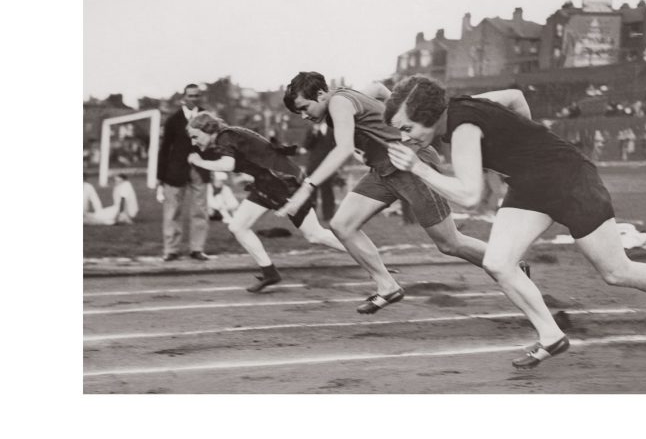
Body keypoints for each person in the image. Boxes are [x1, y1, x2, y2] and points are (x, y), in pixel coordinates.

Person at [384, 75, 646, 369]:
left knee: (617, 272)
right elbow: (516, 97)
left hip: (570, 180)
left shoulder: (463, 128)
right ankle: (551, 336)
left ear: (428, 114)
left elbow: (469, 195)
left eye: (407, 127)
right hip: (530, 185)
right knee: (498, 263)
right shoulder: (466, 105)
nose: (404, 137)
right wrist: (525, 141)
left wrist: (418, 169)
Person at [279, 71, 522, 315]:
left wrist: (306, 189)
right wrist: (394, 110)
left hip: (410, 164)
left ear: (321, 94)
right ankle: (387, 286)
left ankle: (509, 265)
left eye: (304, 107)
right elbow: (375, 87)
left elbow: (342, 149)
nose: (303, 116)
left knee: (449, 243)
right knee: (342, 225)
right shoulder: (345, 97)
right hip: (383, 170)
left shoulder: (338, 102)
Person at [186, 111, 346, 293]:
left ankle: (366, 256)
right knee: (238, 226)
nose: (193, 142)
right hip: (266, 184)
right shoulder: (226, 138)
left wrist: (198, 161)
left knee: (315, 235)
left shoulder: (225, 136)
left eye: (195, 136)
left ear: (207, 129)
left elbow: (227, 165)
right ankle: (269, 273)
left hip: (285, 184)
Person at [156, 83, 211, 261]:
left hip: (200, 169)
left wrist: (214, 170)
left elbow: (214, 145)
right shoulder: (173, 120)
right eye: (190, 96)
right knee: (172, 211)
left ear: (200, 97)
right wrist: (160, 176)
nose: (193, 99)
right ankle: (171, 249)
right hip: (175, 171)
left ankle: (197, 248)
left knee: (200, 210)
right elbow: (164, 149)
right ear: (184, 98)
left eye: (196, 96)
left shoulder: (207, 118)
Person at [302, 122, 337, 221]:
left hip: (328, 164)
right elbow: (307, 146)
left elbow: (336, 146)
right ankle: (312, 216)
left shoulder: (332, 129)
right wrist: (314, 133)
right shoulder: (312, 129)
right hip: (314, 165)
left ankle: (328, 215)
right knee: (312, 191)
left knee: (327, 191)